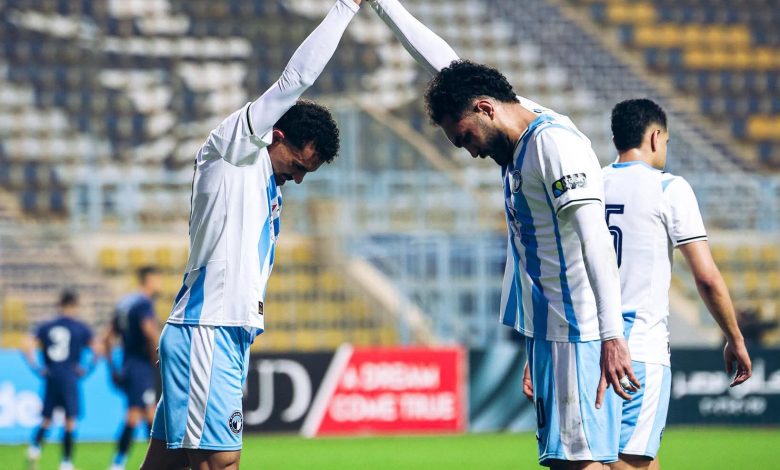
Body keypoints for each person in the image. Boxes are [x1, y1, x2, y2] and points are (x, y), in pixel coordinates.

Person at [366, 1, 636, 468]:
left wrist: (612, 336)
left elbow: (594, 240)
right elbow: (445, 65)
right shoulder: (510, 122)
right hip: (550, 331)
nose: (469, 151)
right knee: (568, 460)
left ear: (485, 110)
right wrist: (382, 5)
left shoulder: (554, 146)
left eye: (465, 137)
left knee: (582, 461)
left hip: (578, 331)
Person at [140, 1, 363, 468]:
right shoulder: (234, 150)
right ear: (275, 135)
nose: (299, 178)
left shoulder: (266, 183)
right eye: (299, 165)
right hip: (209, 328)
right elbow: (294, 80)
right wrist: (346, 7)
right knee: (221, 461)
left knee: (165, 464)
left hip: (221, 330)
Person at [602, 98, 752, 470]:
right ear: (655, 137)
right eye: (667, 141)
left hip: (591, 344)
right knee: (628, 460)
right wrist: (734, 336)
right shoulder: (668, 187)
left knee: (606, 456)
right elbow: (706, 277)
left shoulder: (591, 184)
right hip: (639, 347)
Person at [23, 290, 98, 470]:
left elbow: (26, 344)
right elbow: (98, 348)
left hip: (51, 376)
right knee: (70, 420)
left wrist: (37, 367)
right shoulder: (79, 327)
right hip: (69, 376)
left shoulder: (47, 325)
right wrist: (88, 368)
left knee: (47, 418)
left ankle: (35, 448)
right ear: (74, 306)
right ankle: (66, 462)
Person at [104, 266, 162, 470]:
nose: (160, 283)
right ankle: (123, 463)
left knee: (141, 413)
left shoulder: (124, 303)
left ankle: (123, 462)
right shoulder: (144, 303)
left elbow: (107, 338)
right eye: (157, 279)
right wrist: (158, 358)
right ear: (149, 279)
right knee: (141, 414)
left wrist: (112, 368)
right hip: (142, 367)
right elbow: (150, 332)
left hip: (127, 365)